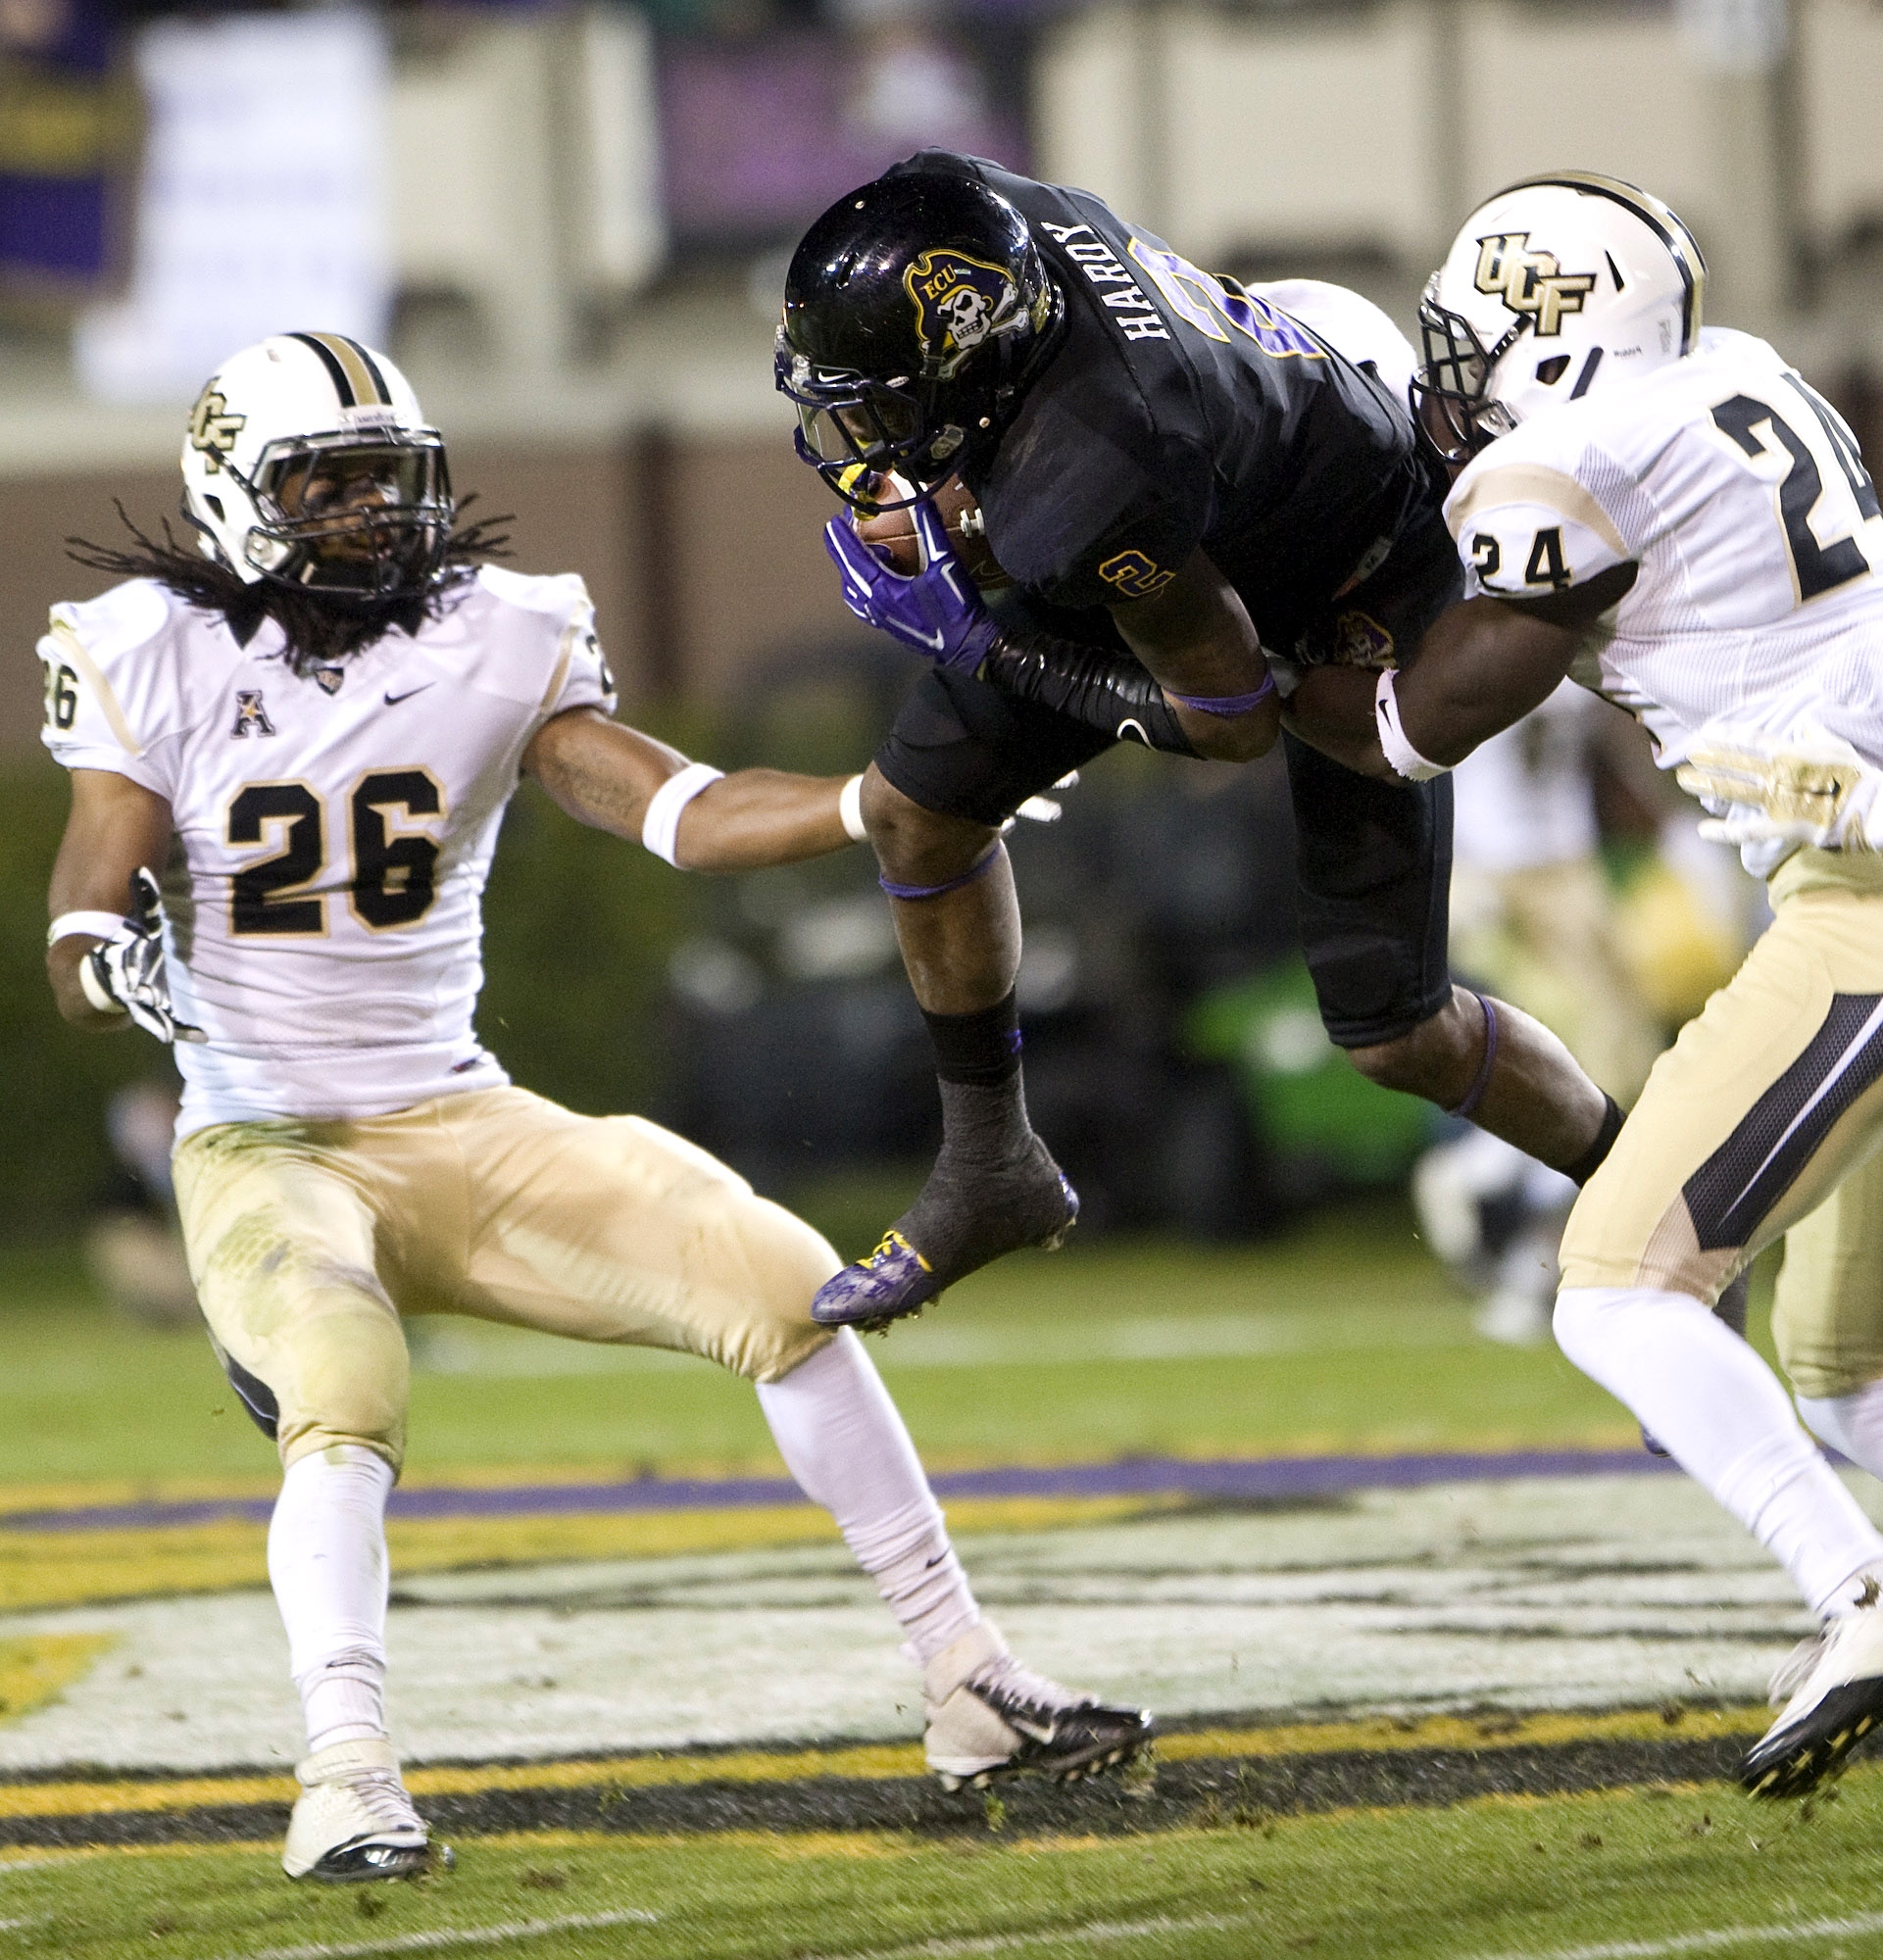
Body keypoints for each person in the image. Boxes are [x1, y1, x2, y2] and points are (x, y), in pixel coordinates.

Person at [39, 331, 1151, 1884]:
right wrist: (109, 964)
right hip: (268, 1139)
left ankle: (968, 1680)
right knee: (344, 1384)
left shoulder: (497, 631)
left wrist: (871, 803)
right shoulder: (147, 646)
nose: (371, 512)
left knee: (789, 1289)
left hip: (458, 1121)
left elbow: (673, 808)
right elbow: (86, 901)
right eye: (327, 484)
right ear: (236, 497)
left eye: (388, 478)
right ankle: (344, 1775)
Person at [774, 152, 1621, 1330]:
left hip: (1354, 580)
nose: (864, 444)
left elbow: (1229, 719)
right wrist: (975, 515)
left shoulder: (1094, 471)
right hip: (1208, 500)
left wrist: (986, 642)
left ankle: (1646, 1199)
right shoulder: (996, 219)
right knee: (913, 808)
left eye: (885, 405)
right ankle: (990, 1163)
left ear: (974, 360)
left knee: (1396, 1031)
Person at [1287, 170, 1883, 1799]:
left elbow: (1408, 729)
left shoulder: (1571, 463)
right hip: (1845, 869)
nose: (1449, 395)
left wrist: (1224, 672)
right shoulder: (1738, 372)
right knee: (1839, 1364)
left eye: (1469, 355)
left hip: (1866, 898)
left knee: (1620, 1288)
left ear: (1559, 344)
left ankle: (1857, 1597)